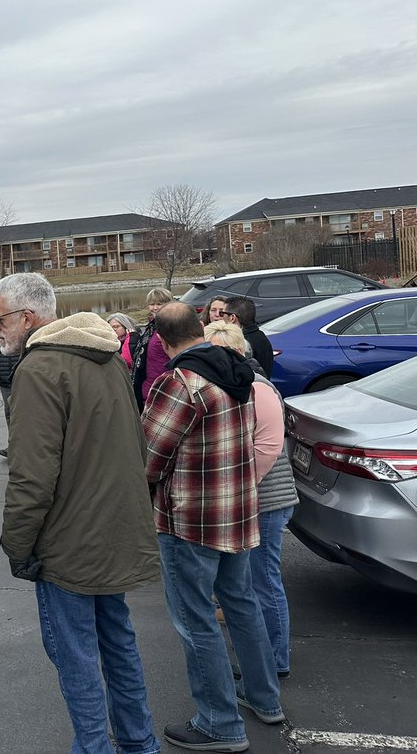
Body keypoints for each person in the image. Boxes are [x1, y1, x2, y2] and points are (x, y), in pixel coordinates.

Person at [0, 275, 161, 754]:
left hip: (68, 543)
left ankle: (94, 746)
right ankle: (138, 742)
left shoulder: (39, 370)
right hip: (114, 530)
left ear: (27, 318)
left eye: (0, 319)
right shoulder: (105, 358)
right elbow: (136, 445)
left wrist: (17, 545)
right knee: (118, 643)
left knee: (76, 656)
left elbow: (31, 477)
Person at [142, 303, 283, 753]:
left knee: (194, 617)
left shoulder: (179, 382)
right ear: (199, 328)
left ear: (163, 342)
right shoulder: (240, 371)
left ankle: (220, 721)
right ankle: (263, 697)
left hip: (192, 519)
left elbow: (149, 456)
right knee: (241, 604)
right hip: (238, 510)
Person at [205, 321, 297, 680]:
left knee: (264, 582)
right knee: (246, 584)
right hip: (247, 499)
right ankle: (260, 658)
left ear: (237, 351)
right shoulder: (231, 385)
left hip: (266, 501)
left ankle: (275, 661)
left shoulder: (259, 388)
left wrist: (239, 488)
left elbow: (269, 447)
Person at [131, 287, 174, 409]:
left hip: (163, 385)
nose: (155, 308)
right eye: (151, 304)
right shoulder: (151, 328)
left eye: (159, 304)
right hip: (148, 384)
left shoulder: (170, 327)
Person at [223, 296, 274, 379]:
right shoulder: (260, 336)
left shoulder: (242, 343)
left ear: (232, 318)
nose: (220, 317)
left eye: (223, 313)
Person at [0, 329, 21, 457]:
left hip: (19, 379)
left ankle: (23, 446)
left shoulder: (20, 330)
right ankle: (12, 446)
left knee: (21, 414)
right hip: (4, 380)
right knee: (8, 413)